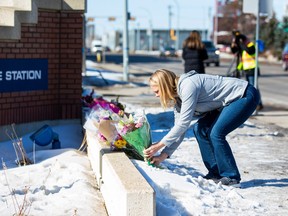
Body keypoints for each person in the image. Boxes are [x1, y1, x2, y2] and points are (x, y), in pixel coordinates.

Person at [143, 69, 260, 187]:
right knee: (200, 129)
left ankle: (231, 177)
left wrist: (159, 145)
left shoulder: (188, 86)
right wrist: (163, 155)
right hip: (227, 102)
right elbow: (179, 129)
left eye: (157, 91)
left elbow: (183, 123)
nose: (156, 95)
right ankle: (215, 173)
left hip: (243, 95)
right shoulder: (178, 101)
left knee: (216, 133)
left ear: (165, 86)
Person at [230, 30, 264, 111]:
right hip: (246, 70)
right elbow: (234, 51)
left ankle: (258, 103)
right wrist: (234, 43)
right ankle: (256, 103)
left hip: (253, 69)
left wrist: (241, 43)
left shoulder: (251, 45)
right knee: (250, 87)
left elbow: (249, 50)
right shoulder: (242, 47)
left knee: (254, 87)